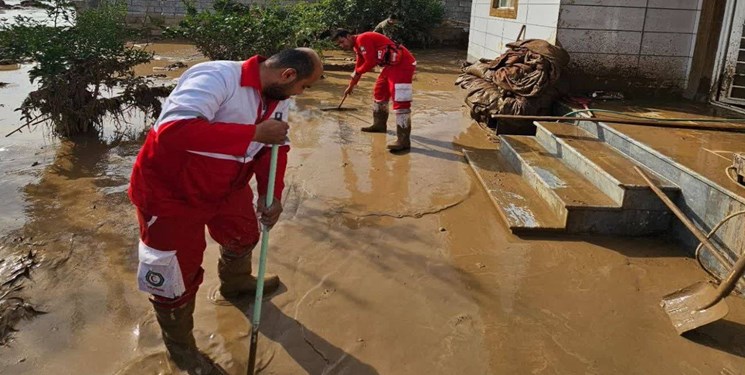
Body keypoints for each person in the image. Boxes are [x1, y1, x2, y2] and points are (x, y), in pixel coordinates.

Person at [128, 48, 323, 373]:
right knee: (173, 273)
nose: (302, 94)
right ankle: (181, 350)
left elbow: (275, 148)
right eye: (304, 86)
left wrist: (270, 195)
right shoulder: (217, 77)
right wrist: (253, 132)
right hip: (170, 194)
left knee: (244, 233)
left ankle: (235, 283)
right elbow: (173, 133)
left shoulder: (279, 97)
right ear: (288, 75)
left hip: (227, 187)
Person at [331, 28, 416, 153]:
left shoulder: (363, 39)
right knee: (379, 92)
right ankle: (379, 125)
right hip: (390, 66)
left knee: (400, 99)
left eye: (342, 41)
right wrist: (351, 86)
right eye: (339, 44)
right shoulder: (357, 47)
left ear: (349, 36)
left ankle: (403, 140)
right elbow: (359, 66)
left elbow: (370, 62)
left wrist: (358, 72)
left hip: (403, 64)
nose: (342, 45)